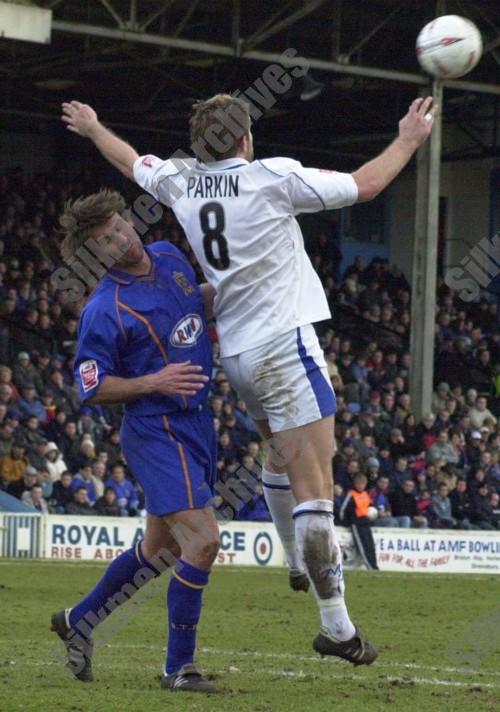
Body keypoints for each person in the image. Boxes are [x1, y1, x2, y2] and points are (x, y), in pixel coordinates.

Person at [62, 90, 437, 666]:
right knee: (317, 480)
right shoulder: (273, 177)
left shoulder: (182, 183)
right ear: (245, 139)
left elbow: (130, 161)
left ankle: (290, 560)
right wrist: (409, 138)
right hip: (282, 343)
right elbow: (365, 185)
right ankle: (335, 627)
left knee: (275, 458)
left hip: (235, 355)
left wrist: (93, 128)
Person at [50, 190, 220, 693]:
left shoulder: (168, 255)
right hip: (154, 430)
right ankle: (179, 668)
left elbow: (196, 303)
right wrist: (153, 382)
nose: (120, 239)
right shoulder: (104, 308)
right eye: (105, 240)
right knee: (204, 541)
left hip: (197, 424)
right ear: (95, 254)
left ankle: (79, 620)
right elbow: (91, 385)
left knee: (160, 551)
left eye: (120, 226)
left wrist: (238, 289)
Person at [339, 473, 378, 570]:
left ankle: (374, 565)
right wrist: (347, 522)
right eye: (359, 484)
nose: (361, 486)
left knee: (370, 545)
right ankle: (370, 566)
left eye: (363, 484)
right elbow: (342, 510)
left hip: (366, 523)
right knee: (362, 546)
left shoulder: (365, 494)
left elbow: (369, 507)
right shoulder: (351, 494)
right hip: (357, 524)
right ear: (355, 484)